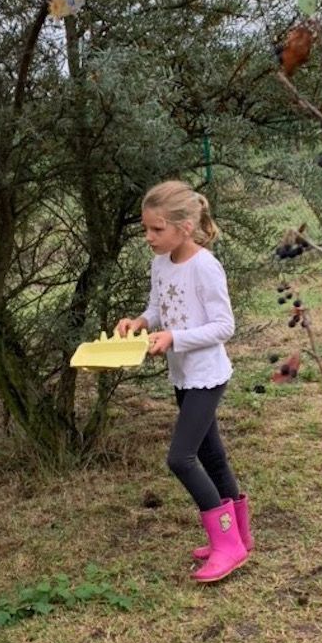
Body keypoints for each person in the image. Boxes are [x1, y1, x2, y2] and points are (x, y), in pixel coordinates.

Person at [115, 180, 252, 582]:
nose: (148, 237)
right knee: (212, 456)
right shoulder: (161, 262)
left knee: (181, 458)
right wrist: (140, 322)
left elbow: (224, 326)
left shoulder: (205, 266)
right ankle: (239, 537)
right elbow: (159, 308)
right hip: (183, 375)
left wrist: (175, 338)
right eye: (145, 228)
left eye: (157, 229)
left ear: (185, 227)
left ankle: (227, 545)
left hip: (207, 376)